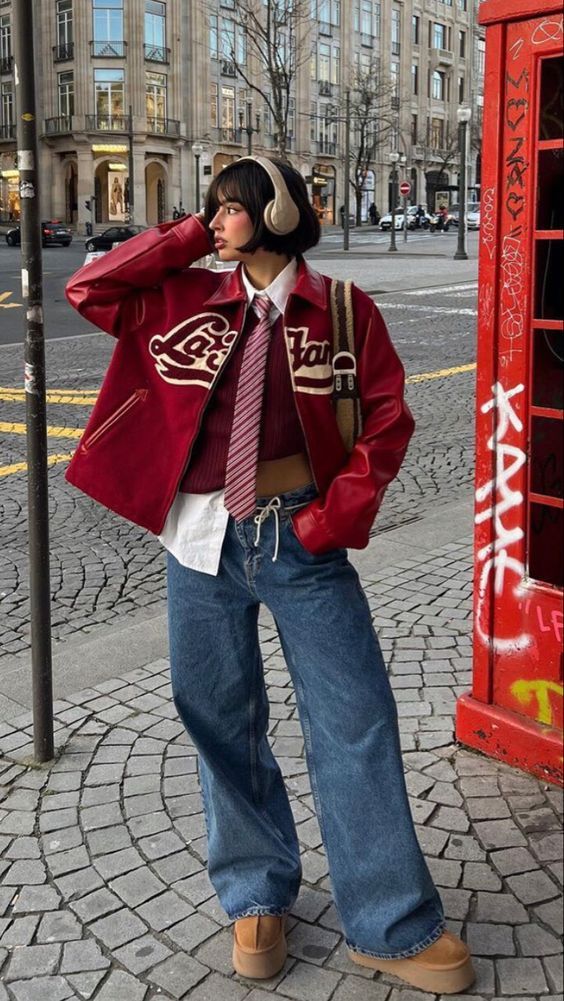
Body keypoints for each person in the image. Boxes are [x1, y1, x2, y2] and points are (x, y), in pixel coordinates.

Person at [64, 156, 474, 995]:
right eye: (208, 211)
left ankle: (389, 919)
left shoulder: (344, 313)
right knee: (221, 721)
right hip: (199, 543)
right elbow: (91, 289)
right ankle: (256, 891)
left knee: (354, 718)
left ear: (275, 212)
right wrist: (184, 238)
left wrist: (333, 520)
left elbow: (387, 421)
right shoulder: (180, 298)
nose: (214, 222)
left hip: (299, 539)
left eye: (229, 209)